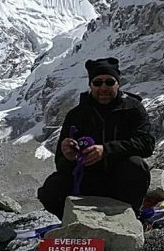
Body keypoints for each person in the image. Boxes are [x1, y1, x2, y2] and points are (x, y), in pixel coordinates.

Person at [37, 57, 155, 219]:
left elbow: (147, 144)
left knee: (136, 166)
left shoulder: (133, 109)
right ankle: (72, 222)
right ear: (90, 85)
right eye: (97, 83)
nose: (103, 87)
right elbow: (61, 164)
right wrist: (69, 157)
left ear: (118, 84)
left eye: (109, 82)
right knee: (52, 187)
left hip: (120, 181)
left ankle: (131, 218)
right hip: (87, 182)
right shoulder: (77, 115)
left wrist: (106, 150)